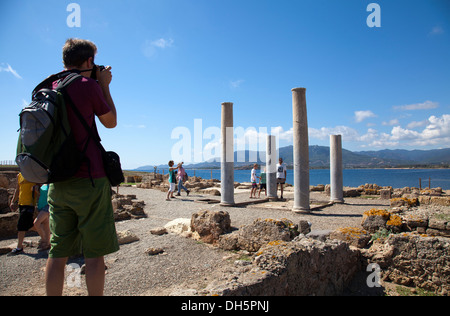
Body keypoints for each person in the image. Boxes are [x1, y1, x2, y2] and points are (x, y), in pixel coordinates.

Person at [45, 38, 119, 296]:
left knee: (57, 254)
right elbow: (111, 122)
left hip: (57, 181)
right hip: (89, 178)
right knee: (95, 254)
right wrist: (104, 86)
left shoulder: (50, 86)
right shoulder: (88, 85)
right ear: (89, 62)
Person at [8, 173, 37, 255]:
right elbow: (17, 189)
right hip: (21, 203)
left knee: (21, 225)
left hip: (30, 203)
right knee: (30, 225)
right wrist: (13, 201)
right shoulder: (19, 175)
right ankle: (47, 237)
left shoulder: (34, 174)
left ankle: (19, 247)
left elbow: (41, 187)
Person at [34, 184, 51, 251]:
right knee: (46, 225)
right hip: (41, 205)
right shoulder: (43, 184)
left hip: (47, 206)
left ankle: (44, 240)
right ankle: (47, 243)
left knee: (36, 223)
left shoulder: (51, 184)